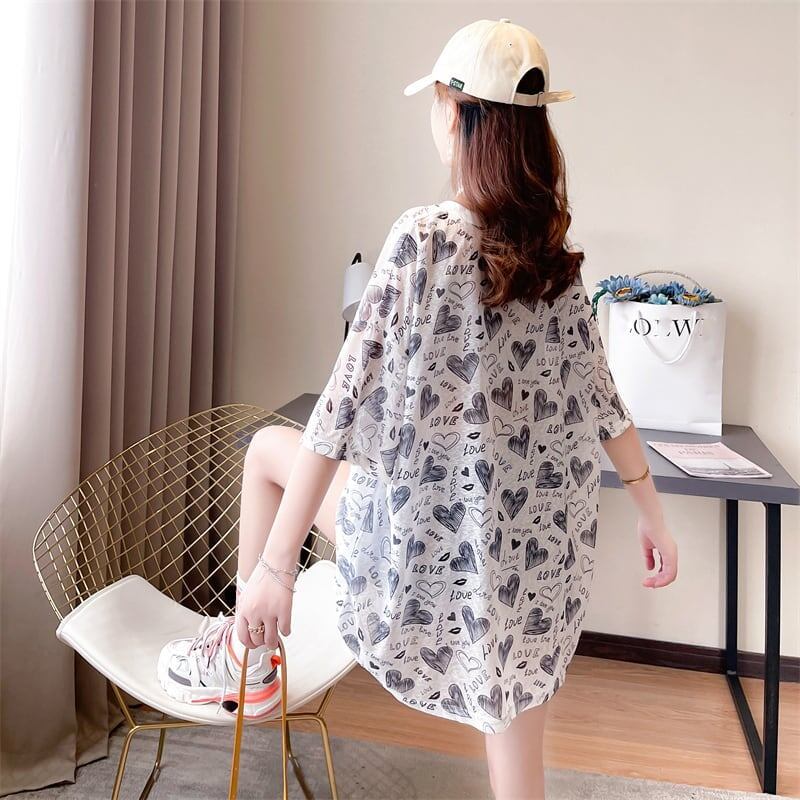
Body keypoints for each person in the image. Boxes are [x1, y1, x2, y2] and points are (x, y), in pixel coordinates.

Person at [159, 17, 678, 799]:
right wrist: (653, 514)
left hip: (424, 556)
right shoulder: (555, 260)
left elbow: (338, 410)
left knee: (267, 450)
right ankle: (250, 657)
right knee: (516, 753)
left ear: (458, 114)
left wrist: (276, 569)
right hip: (530, 569)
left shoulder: (422, 239)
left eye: (438, 103)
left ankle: (248, 656)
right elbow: (606, 405)